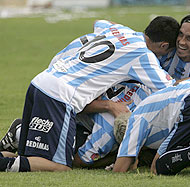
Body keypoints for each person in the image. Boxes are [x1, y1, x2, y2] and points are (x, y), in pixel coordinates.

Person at [0, 16, 180, 172]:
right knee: (60, 166)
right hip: (61, 96)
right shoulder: (144, 56)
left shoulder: (122, 31)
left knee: (28, 156)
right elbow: (172, 89)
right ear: (164, 45)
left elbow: (100, 22)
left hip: (41, 81)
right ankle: (4, 164)